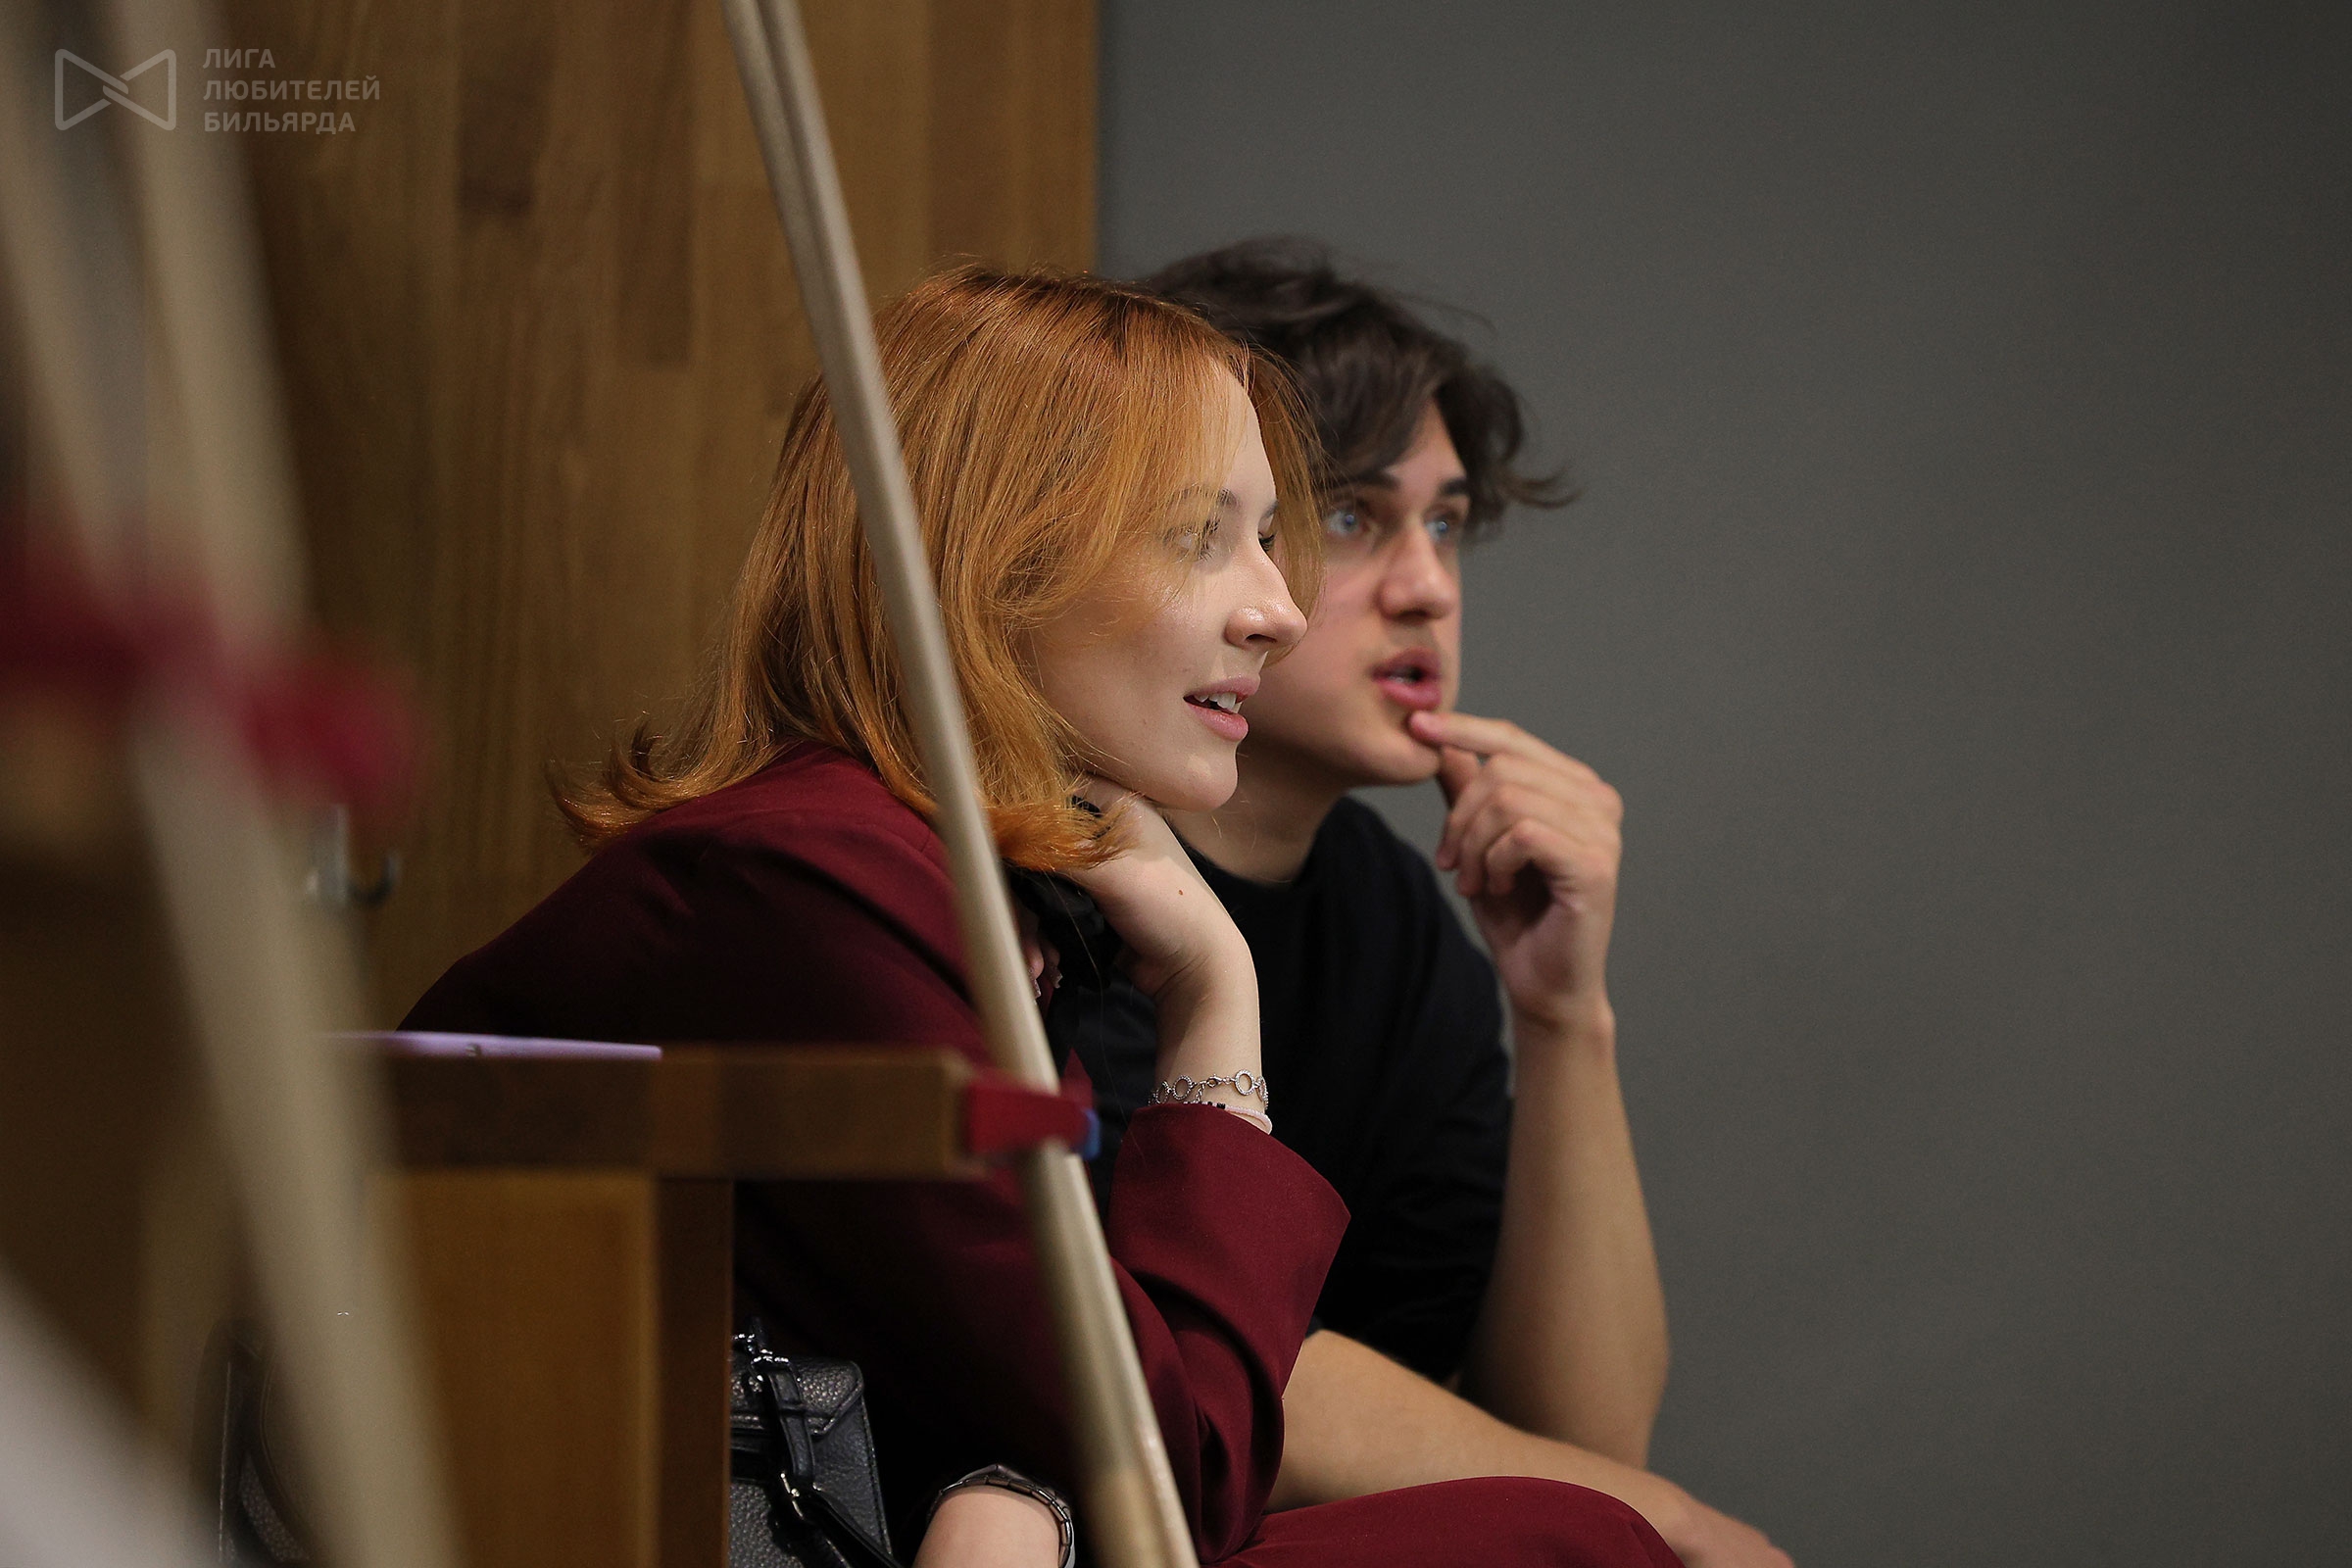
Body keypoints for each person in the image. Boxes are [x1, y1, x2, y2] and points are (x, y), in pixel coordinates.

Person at [402, 266, 1680, 1568]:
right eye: (1203, 537)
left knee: (1565, 1532)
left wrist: (1024, 1494)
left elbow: (1076, 1432)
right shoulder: (813, 880)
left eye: (1273, 536)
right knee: (1570, 1546)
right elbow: (1174, 1471)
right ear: (998, 567)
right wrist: (1217, 997)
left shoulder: (943, 874)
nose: (1277, 611)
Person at [1048, 240, 1792, 1568]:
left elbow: (1582, 1434)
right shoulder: (1055, 867)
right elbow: (1166, 1342)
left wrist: (1563, 1017)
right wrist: (1662, 1524)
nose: (1429, 586)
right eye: (1350, 517)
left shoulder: (1390, 915)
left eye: (1444, 524)